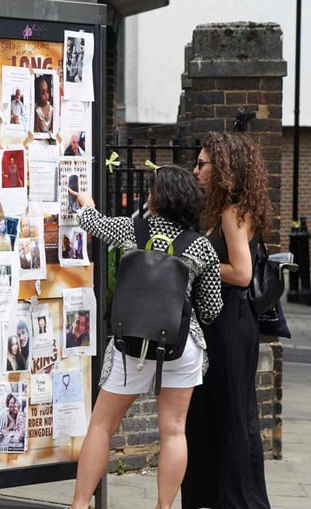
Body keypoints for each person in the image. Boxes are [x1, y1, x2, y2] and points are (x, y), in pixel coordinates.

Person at [66, 165, 222, 509]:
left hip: (131, 344)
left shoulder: (130, 229)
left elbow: (92, 223)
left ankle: (78, 505)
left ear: (156, 198)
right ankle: (164, 507)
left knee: (102, 426)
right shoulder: (201, 247)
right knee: (174, 431)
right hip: (179, 346)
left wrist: (86, 204)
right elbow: (212, 310)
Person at [182, 131, 274, 509]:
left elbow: (242, 273)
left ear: (222, 168)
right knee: (219, 409)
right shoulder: (224, 210)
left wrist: (193, 261)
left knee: (233, 411)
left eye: (202, 163)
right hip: (221, 323)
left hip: (230, 324)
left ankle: (238, 500)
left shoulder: (232, 213)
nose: (196, 169)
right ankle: (220, 496)